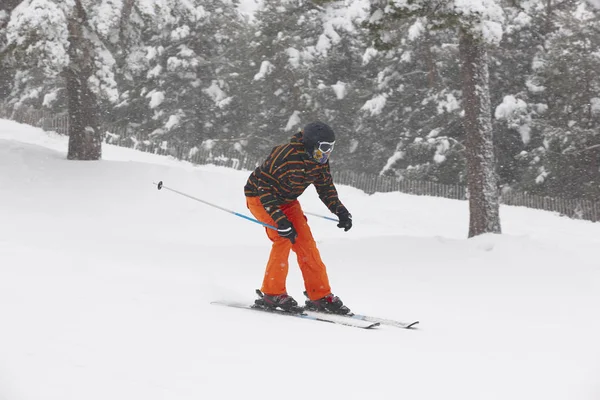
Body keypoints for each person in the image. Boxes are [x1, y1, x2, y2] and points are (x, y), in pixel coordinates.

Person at [244, 121, 353, 315]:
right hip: (260, 197)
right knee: (283, 237)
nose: (327, 153)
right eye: (324, 148)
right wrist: (279, 219)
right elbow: (264, 188)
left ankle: (319, 295)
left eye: (331, 148)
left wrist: (340, 211)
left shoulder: (319, 162)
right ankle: (272, 293)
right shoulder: (286, 155)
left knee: (306, 243)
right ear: (312, 144)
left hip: (287, 200)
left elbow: (325, 187)